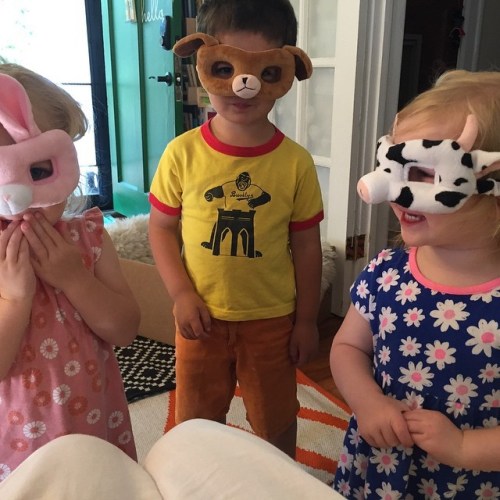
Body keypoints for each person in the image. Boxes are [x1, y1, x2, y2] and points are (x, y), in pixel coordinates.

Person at [148, 0, 323, 458]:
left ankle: (279, 482)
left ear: (286, 69)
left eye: (265, 73)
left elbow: (307, 246)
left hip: (272, 320)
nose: (243, 86)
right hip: (201, 317)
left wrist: (307, 319)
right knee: (196, 421)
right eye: (224, 68)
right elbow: (161, 230)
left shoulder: (296, 163)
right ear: (201, 62)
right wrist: (181, 294)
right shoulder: (181, 153)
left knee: (276, 419)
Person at [330, 69, 500, 499]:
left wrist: (465, 447)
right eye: (392, 166)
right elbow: (347, 348)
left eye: (422, 173)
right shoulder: (386, 273)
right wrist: (368, 402)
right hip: (381, 469)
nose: (392, 190)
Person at [0, 63, 140, 482]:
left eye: (39, 171)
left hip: (94, 426)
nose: (19, 198)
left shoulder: (89, 237)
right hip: (20, 447)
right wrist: (15, 299)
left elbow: (125, 329)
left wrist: (75, 279)